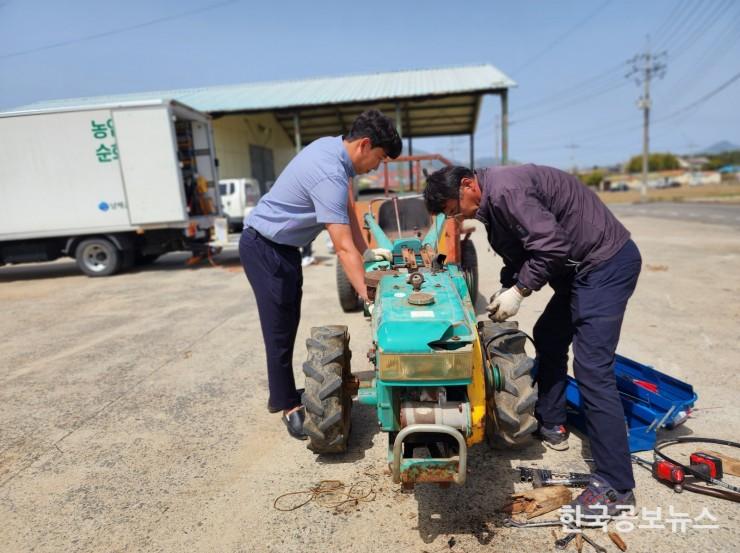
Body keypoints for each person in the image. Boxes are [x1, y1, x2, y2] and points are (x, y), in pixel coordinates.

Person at [423, 164, 642, 517]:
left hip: (605, 265)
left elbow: (551, 247)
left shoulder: (507, 190)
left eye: (454, 207)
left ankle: (616, 485)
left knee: (593, 369)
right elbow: (522, 249)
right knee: (549, 335)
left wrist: (521, 291)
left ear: (467, 184)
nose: (458, 216)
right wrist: (507, 284)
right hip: (579, 270)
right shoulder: (491, 199)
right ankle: (552, 423)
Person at [239, 109, 401, 440]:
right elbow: (341, 248)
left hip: (282, 248)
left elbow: (349, 218)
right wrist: (365, 294)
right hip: (265, 247)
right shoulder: (329, 172)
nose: (377, 167)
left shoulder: (334, 152)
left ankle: (281, 393)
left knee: (287, 321)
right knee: (279, 329)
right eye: (380, 159)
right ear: (365, 145)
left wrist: (370, 256)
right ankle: (288, 406)